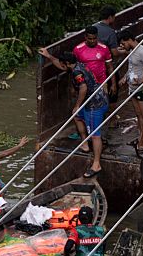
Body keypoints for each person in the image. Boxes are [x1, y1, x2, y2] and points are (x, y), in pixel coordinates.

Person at [37, 49, 107, 178]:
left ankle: (96, 164)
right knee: (77, 117)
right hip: (92, 100)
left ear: (68, 63)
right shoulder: (76, 65)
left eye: (63, 64)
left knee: (95, 134)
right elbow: (61, 66)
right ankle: (85, 144)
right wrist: (49, 56)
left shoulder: (77, 72)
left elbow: (83, 88)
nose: (62, 66)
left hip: (94, 104)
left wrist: (77, 105)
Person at [118, 30, 143, 153]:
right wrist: (125, 77)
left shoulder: (142, 52)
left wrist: (142, 81)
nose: (123, 47)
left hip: (142, 88)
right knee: (139, 115)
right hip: (132, 88)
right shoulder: (132, 51)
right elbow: (132, 67)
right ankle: (141, 137)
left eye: (123, 43)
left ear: (129, 40)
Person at [72, 25, 114, 93]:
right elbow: (73, 69)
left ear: (97, 36)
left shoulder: (104, 48)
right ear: (85, 37)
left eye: (94, 38)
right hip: (85, 85)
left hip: (102, 84)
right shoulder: (77, 50)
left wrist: (113, 84)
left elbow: (110, 67)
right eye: (90, 39)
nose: (92, 41)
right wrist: (73, 87)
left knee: (104, 103)